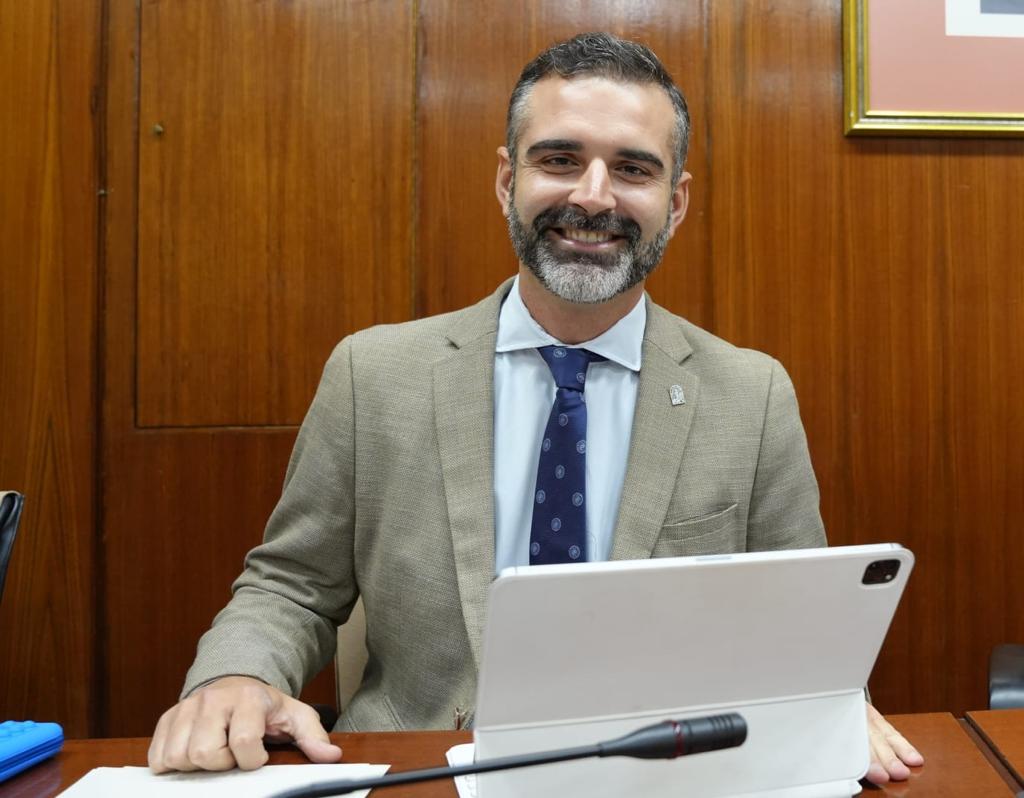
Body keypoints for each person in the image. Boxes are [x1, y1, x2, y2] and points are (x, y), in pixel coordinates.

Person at [148, 32, 923, 785]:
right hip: (426, 772)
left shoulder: (751, 396)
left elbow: (796, 625)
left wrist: (823, 701)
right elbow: (291, 585)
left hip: (665, 776)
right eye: (559, 160)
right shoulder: (373, 375)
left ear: (675, 203)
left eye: (632, 169)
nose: (593, 196)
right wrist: (236, 675)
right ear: (505, 179)